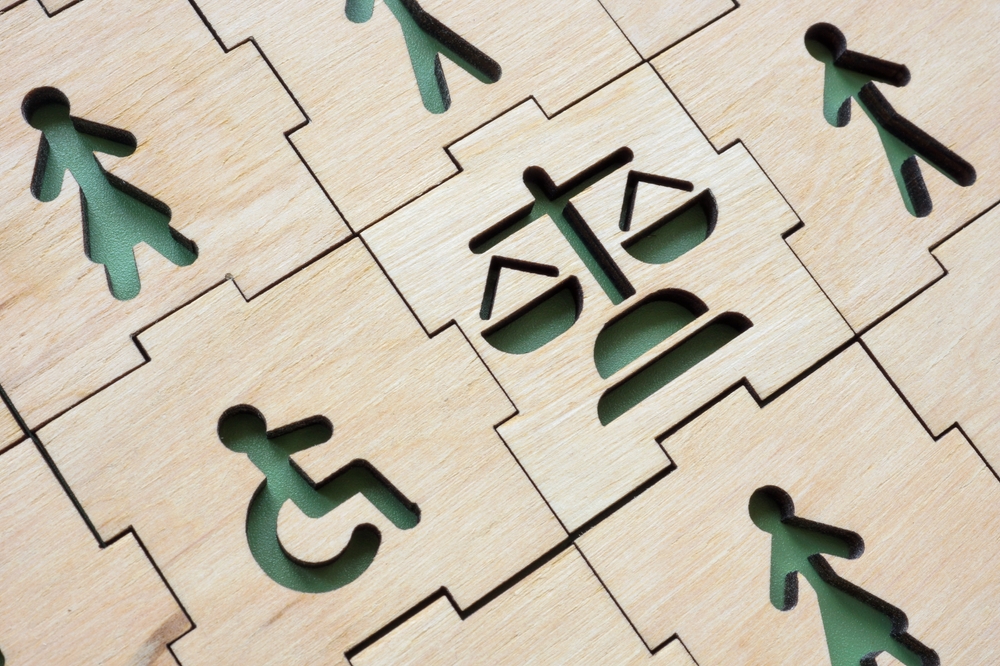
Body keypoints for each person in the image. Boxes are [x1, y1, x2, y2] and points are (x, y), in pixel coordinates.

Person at [25, 88, 196, 300]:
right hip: (106, 197)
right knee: (141, 232)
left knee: (125, 241)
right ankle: (179, 260)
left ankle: (138, 282)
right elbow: (122, 146)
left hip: (101, 200)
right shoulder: (69, 136)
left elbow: (48, 191)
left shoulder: (54, 142)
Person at [805, 23, 975, 217]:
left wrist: (895, 76)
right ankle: (923, 198)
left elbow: (835, 111)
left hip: (887, 122)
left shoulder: (843, 67)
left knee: (906, 146)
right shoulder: (840, 70)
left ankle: (930, 193)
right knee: (905, 150)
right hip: (885, 122)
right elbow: (835, 109)